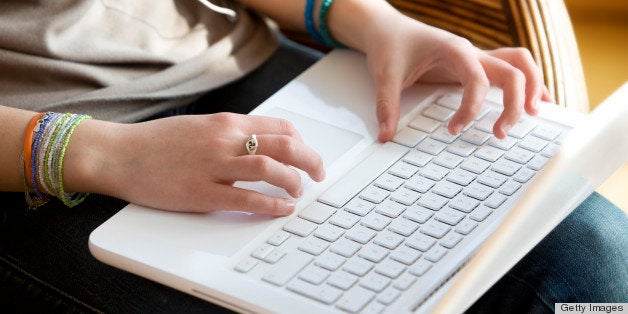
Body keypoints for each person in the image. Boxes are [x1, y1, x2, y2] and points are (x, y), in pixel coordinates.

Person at [0, 0, 625, 312]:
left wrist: (371, 20)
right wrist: (104, 152)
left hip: (243, 63)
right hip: (58, 154)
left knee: (593, 258)